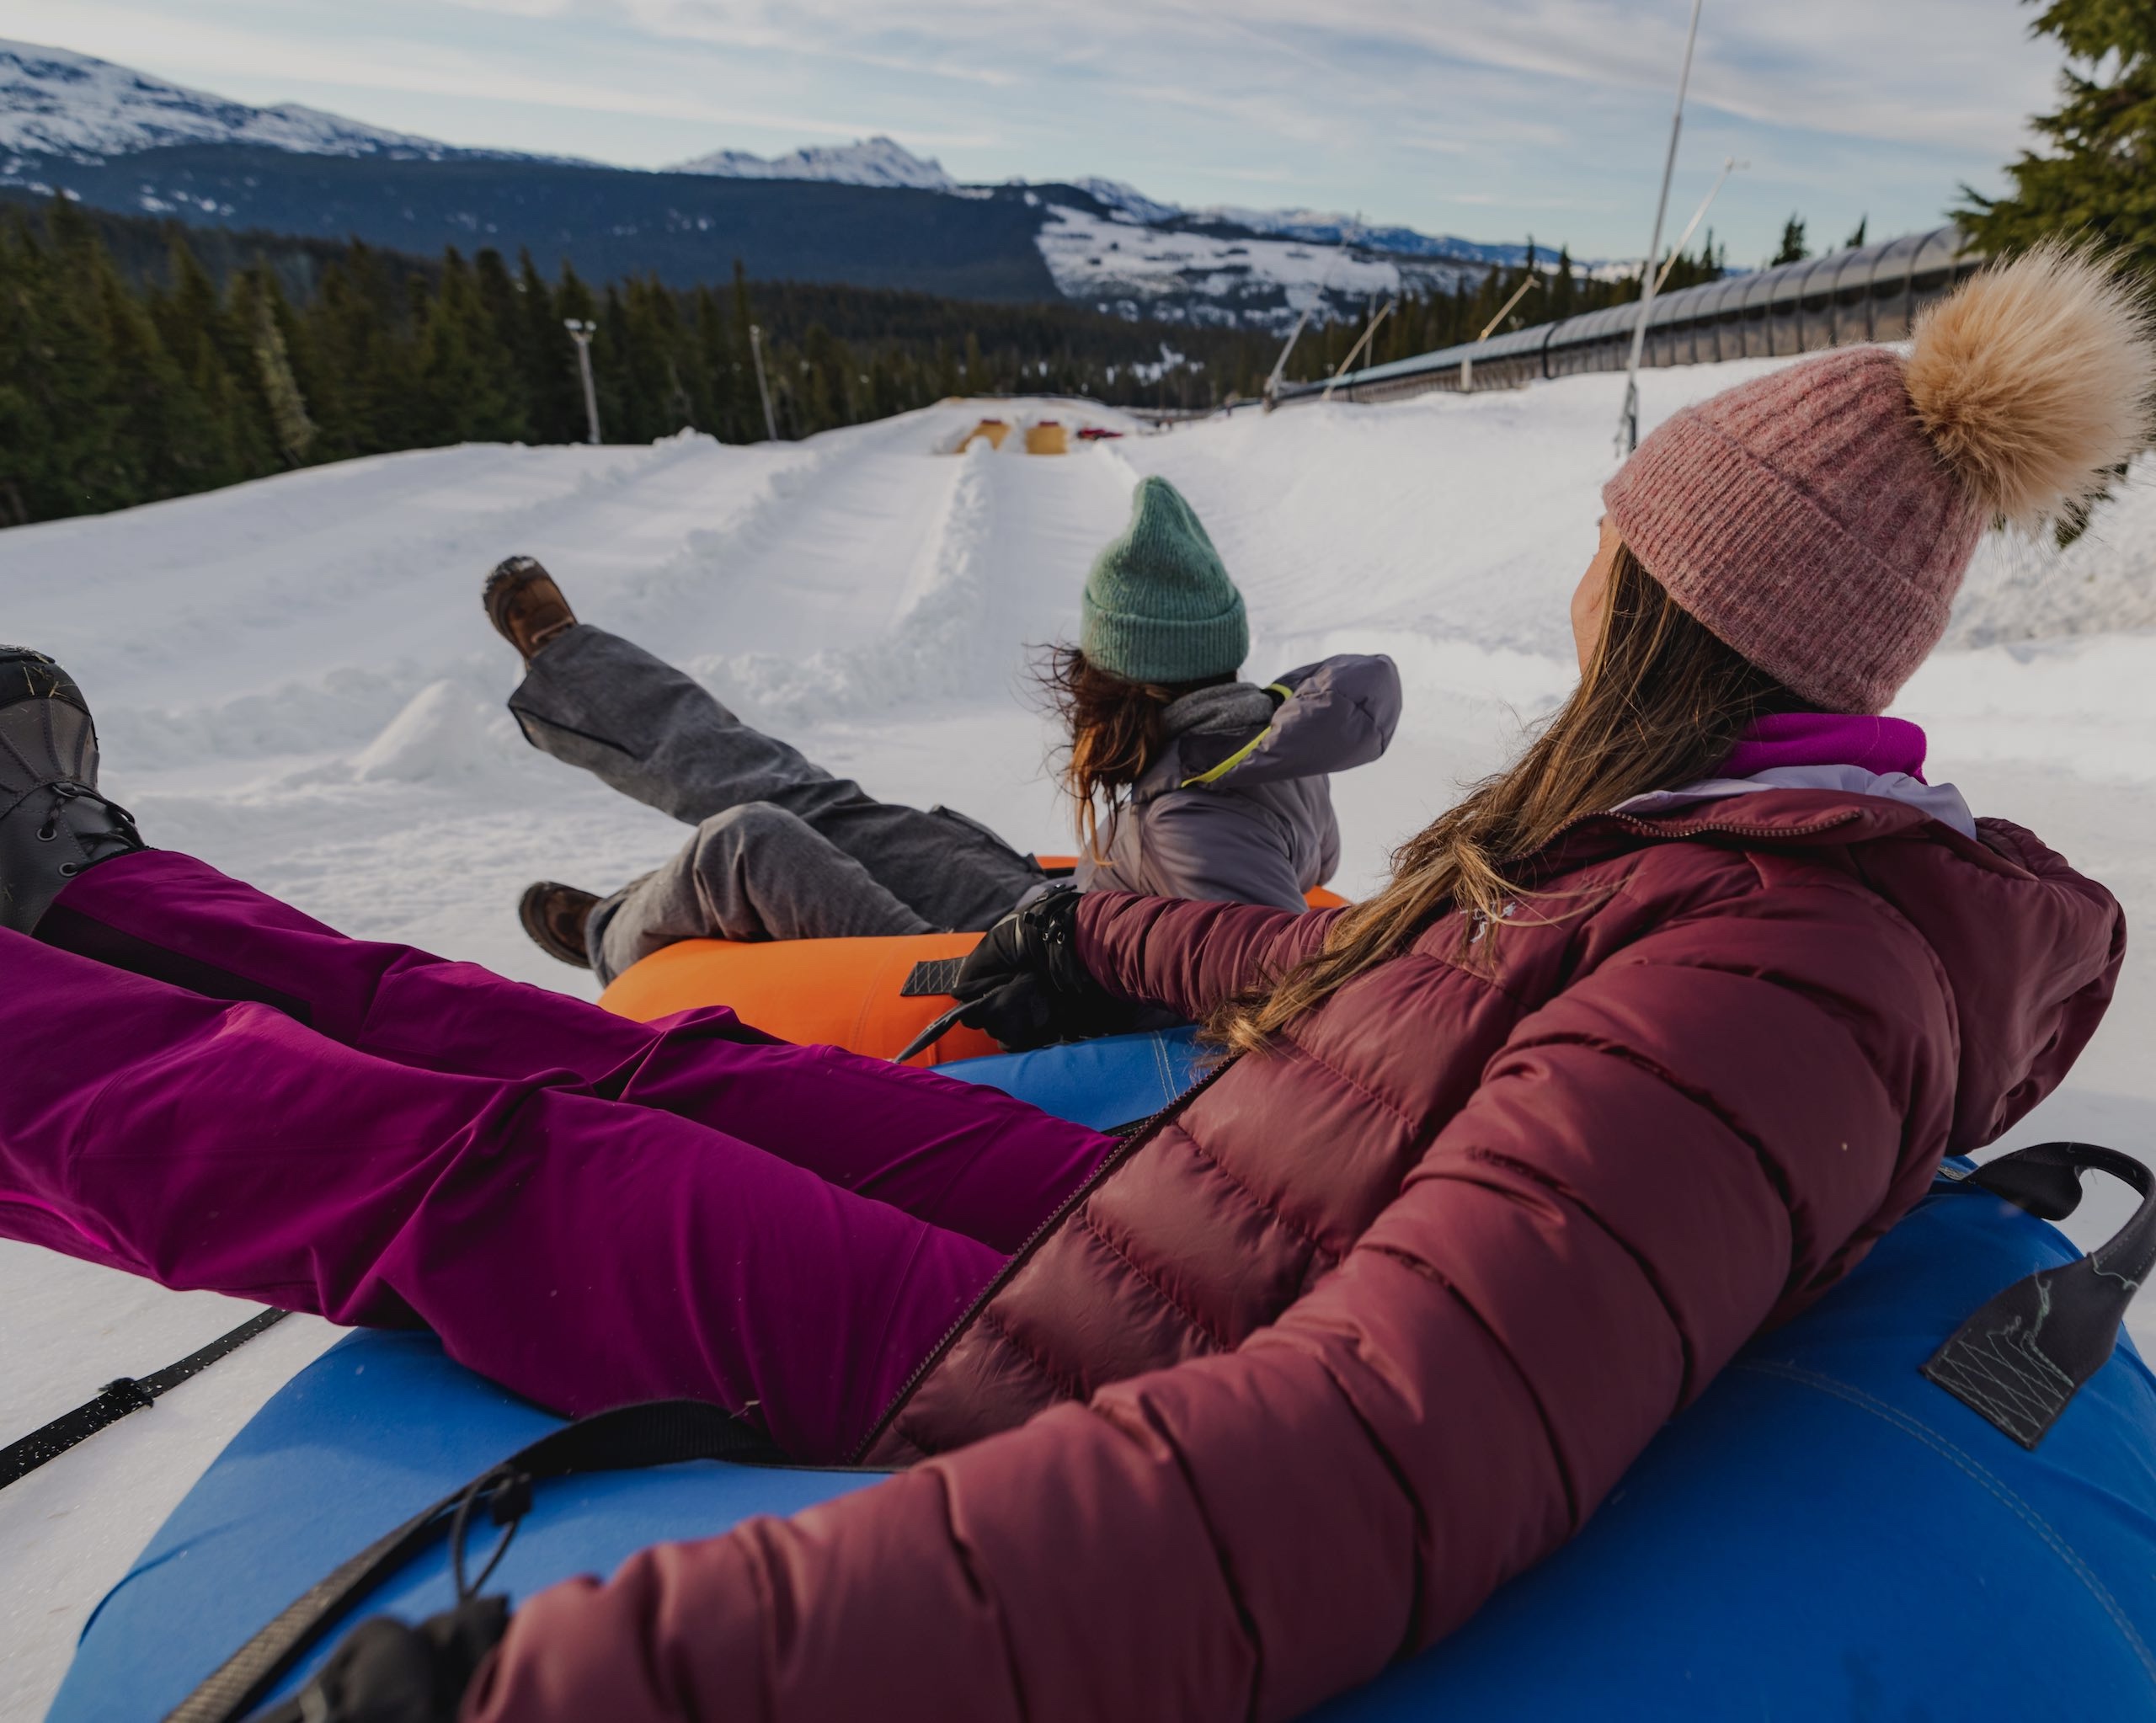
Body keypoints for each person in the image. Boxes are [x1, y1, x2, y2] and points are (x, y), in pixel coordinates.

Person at [0, 245, 2141, 1722]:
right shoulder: (1729, 857)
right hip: (1154, 1217)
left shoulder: (1781, 974)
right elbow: (1377, 994)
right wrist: (1108, 931)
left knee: (481, 1158)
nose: (1580, 560)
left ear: (1663, 595)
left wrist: (626, 1672)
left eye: (1615, 528)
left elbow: (1369, 1455)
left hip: (1051, 1370)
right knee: (622, 1061)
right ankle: (92, 901)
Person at [492, 474, 1400, 985]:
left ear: (1125, 679)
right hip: (1044, 916)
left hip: (1005, 979)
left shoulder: (1195, 818)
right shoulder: (1248, 730)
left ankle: (612, 933)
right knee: (824, 806)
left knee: (752, 845)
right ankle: (576, 667)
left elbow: (1268, 982)